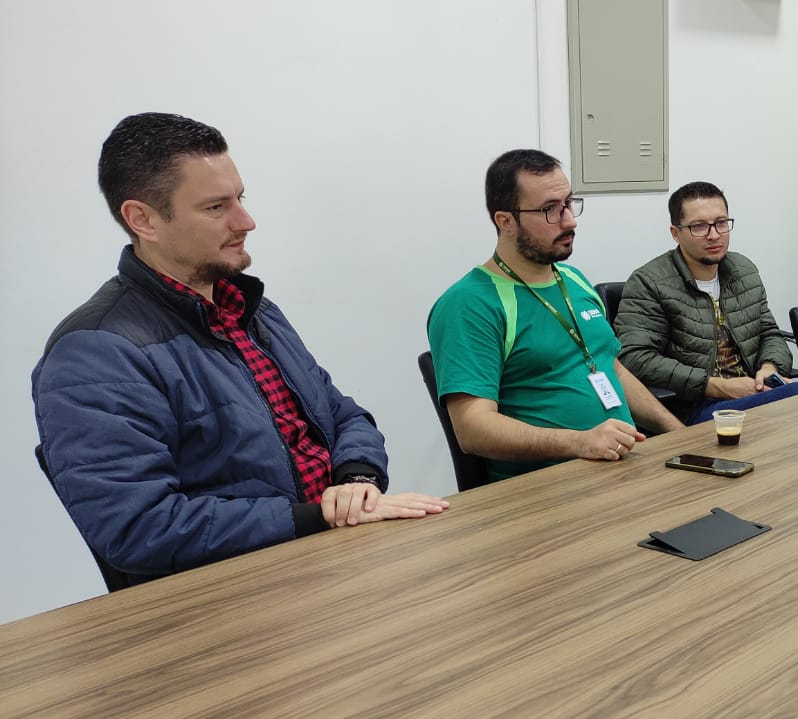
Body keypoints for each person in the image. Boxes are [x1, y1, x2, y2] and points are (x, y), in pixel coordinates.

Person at [31, 113, 447, 586]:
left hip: (328, 559)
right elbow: (138, 527)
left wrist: (357, 482)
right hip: (232, 596)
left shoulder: (252, 309)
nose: (246, 222)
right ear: (142, 219)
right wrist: (319, 517)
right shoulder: (94, 354)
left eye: (240, 199)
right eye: (215, 208)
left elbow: (343, 415)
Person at [427, 149, 684, 483]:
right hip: (546, 487)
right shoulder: (470, 304)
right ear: (505, 221)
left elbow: (611, 368)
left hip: (620, 469)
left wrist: (679, 434)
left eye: (569, 203)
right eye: (550, 209)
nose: (569, 221)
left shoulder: (573, 280)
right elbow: (472, 428)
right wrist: (581, 442)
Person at [614, 181, 798, 424]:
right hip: (693, 407)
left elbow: (769, 333)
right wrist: (718, 386)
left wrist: (769, 368)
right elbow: (635, 358)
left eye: (721, 223)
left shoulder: (743, 270)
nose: (714, 235)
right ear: (675, 233)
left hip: (752, 392)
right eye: (699, 226)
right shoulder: (649, 282)